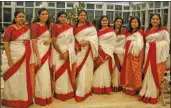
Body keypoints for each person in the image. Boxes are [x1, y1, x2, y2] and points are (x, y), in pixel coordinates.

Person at [1, 11, 33, 107]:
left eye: (23, 16)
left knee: (22, 77)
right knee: (12, 77)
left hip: (24, 56)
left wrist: (27, 43)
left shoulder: (27, 28)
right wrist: (9, 58)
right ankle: (11, 99)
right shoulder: (10, 28)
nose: (21, 18)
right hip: (14, 55)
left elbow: (30, 41)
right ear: (15, 18)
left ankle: (22, 98)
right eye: (19, 16)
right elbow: (6, 43)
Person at [139, 14, 170, 104]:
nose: (155, 20)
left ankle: (153, 94)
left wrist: (155, 45)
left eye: (157, 19)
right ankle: (147, 90)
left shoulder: (163, 30)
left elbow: (167, 43)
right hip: (148, 54)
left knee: (154, 73)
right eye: (153, 19)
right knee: (148, 72)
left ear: (160, 21)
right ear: (150, 20)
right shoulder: (147, 31)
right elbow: (145, 44)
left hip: (158, 55)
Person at [74, 10, 98, 102]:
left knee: (86, 70)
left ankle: (84, 91)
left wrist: (88, 42)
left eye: (85, 15)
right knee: (79, 70)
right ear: (78, 16)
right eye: (81, 15)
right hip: (79, 51)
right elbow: (72, 39)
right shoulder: (74, 28)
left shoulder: (90, 26)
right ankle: (78, 89)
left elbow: (95, 38)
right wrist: (77, 46)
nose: (83, 17)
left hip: (88, 51)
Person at [51, 11, 76, 101]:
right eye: (61, 17)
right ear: (58, 18)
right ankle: (59, 93)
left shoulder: (70, 28)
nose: (63, 18)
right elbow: (53, 41)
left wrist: (67, 52)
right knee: (59, 73)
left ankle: (68, 92)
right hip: (57, 52)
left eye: (65, 17)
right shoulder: (54, 27)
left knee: (67, 72)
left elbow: (72, 41)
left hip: (68, 51)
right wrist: (61, 53)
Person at [31, 8, 52, 106]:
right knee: (40, 75)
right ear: (39, 16)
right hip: (39, 52)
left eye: (46, 14)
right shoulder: (35, 26)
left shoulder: (48, 26)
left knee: (46, 75)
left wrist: (50, 40)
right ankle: (40, 97)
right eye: (43, 14)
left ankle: (46, 96)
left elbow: (52, 37)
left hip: (47, 52)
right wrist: (38, 56)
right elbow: (33, 41)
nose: (45, 16)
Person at [120, 16, 144, 96]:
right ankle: (127, 87)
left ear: (138, 24)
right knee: (128, 71)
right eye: (132, 22)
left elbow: (140, 45)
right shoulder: (128, 32)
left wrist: (131, 44)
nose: (134, 23)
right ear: (130, 23)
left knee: (135, 71)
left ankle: (135, 88)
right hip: (128, 54)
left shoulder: (140, 32)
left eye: (136, 22)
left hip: (136, 54)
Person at [92, 16, 116, 94]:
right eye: (103, 20)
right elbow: (95, 41)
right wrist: (98, 47)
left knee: (106, 70)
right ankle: (97, 87)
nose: (104, 22)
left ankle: (106, 87)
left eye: (106, 20)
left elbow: (112, 43)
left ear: (108, 21)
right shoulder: (97, 31)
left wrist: (108, 52)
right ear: (100, 22)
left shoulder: (111, 31)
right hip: (99, 52)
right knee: (98, 69)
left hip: (107, 52)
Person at [112, 17, 127, 92]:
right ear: (114, 22)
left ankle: (121, 84)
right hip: (113, 51)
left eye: (120, 22)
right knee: (116, 67)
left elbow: (127, 42)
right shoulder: (111, 31)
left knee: (121, 67)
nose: (118, 23)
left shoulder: (124, 31)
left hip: (122, 51)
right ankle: (115, 84)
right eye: (117, 21)